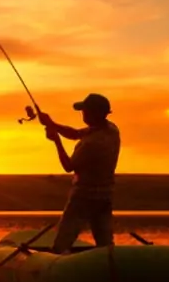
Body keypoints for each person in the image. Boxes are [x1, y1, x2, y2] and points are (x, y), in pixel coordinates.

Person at [35, 93, 121, 253]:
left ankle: (57, 263)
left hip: (83, 197)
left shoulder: (91, 144)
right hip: (105, 196)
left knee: (62, 243)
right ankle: (109, 266)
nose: (83, 113)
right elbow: (75, 134)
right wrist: (52, 124)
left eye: (85, 111)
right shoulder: (112, 130)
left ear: (94, 113)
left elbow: (68, 166)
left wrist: (56, 141)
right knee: (105, 244)